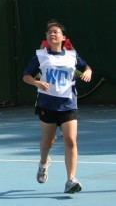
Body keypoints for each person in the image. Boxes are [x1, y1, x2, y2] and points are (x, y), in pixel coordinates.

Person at [23, 20, 92, 194]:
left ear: (63, 37)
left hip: (68, 104)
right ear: (46, 37)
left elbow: (86, 67)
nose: (52, 34)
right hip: (47, 104)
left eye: (56, 32)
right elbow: (26, 76)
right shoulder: (40, 56)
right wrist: (37, 82)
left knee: (70, 140)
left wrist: (88, 72)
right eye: (49, 32)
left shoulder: (72, 56)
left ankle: (71, 179)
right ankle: (44, 162)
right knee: (49, 142)